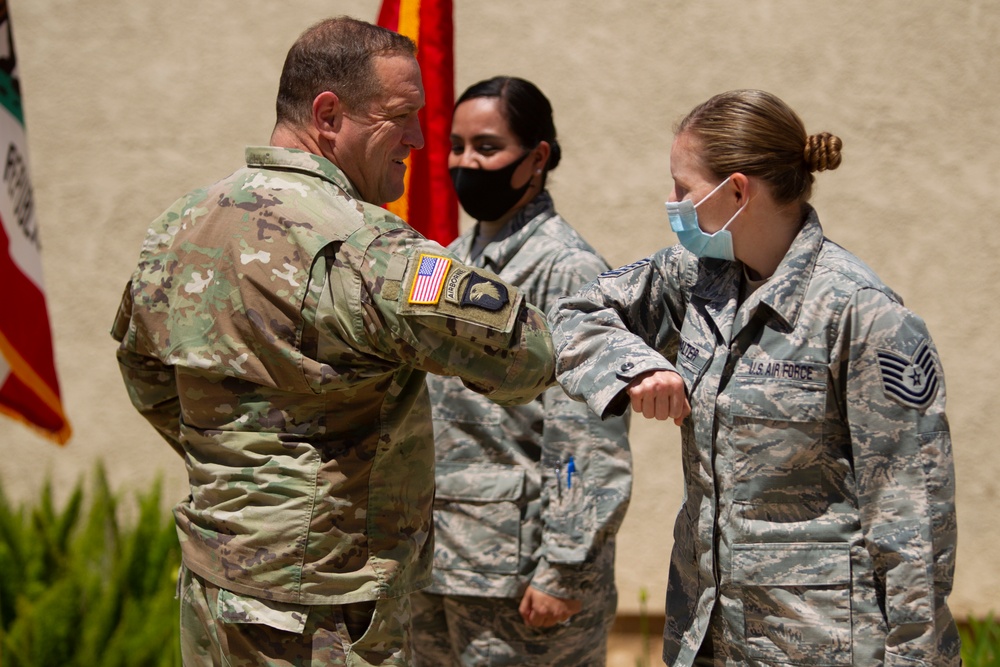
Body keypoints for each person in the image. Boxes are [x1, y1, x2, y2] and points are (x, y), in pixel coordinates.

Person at [110, 18, 555, 667]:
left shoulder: (181, 224)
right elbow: (528, 356)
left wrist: (249, 473)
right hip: (323, 612)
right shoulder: (364, 247)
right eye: (401, 116)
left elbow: (144, 370)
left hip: (215, 587)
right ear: (328, 114)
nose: (420, 139)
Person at [550, 89, 959, 666]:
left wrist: (920, 659)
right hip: (706, 635)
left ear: (737, 191)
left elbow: (912, 519)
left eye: (683, 188)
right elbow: (572, 313)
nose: (671, 202)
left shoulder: (863, 314)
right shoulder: (692, 277)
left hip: (819, 645)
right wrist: (634, 364)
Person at [409, 76, 632, 666]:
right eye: (456, 146)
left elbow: (588, 433)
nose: (465, 162)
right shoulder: (447, 264)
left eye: (486, 147)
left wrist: (565, 567)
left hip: (522, 579)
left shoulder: (566, 268)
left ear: (537, 159)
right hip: (438, 566)